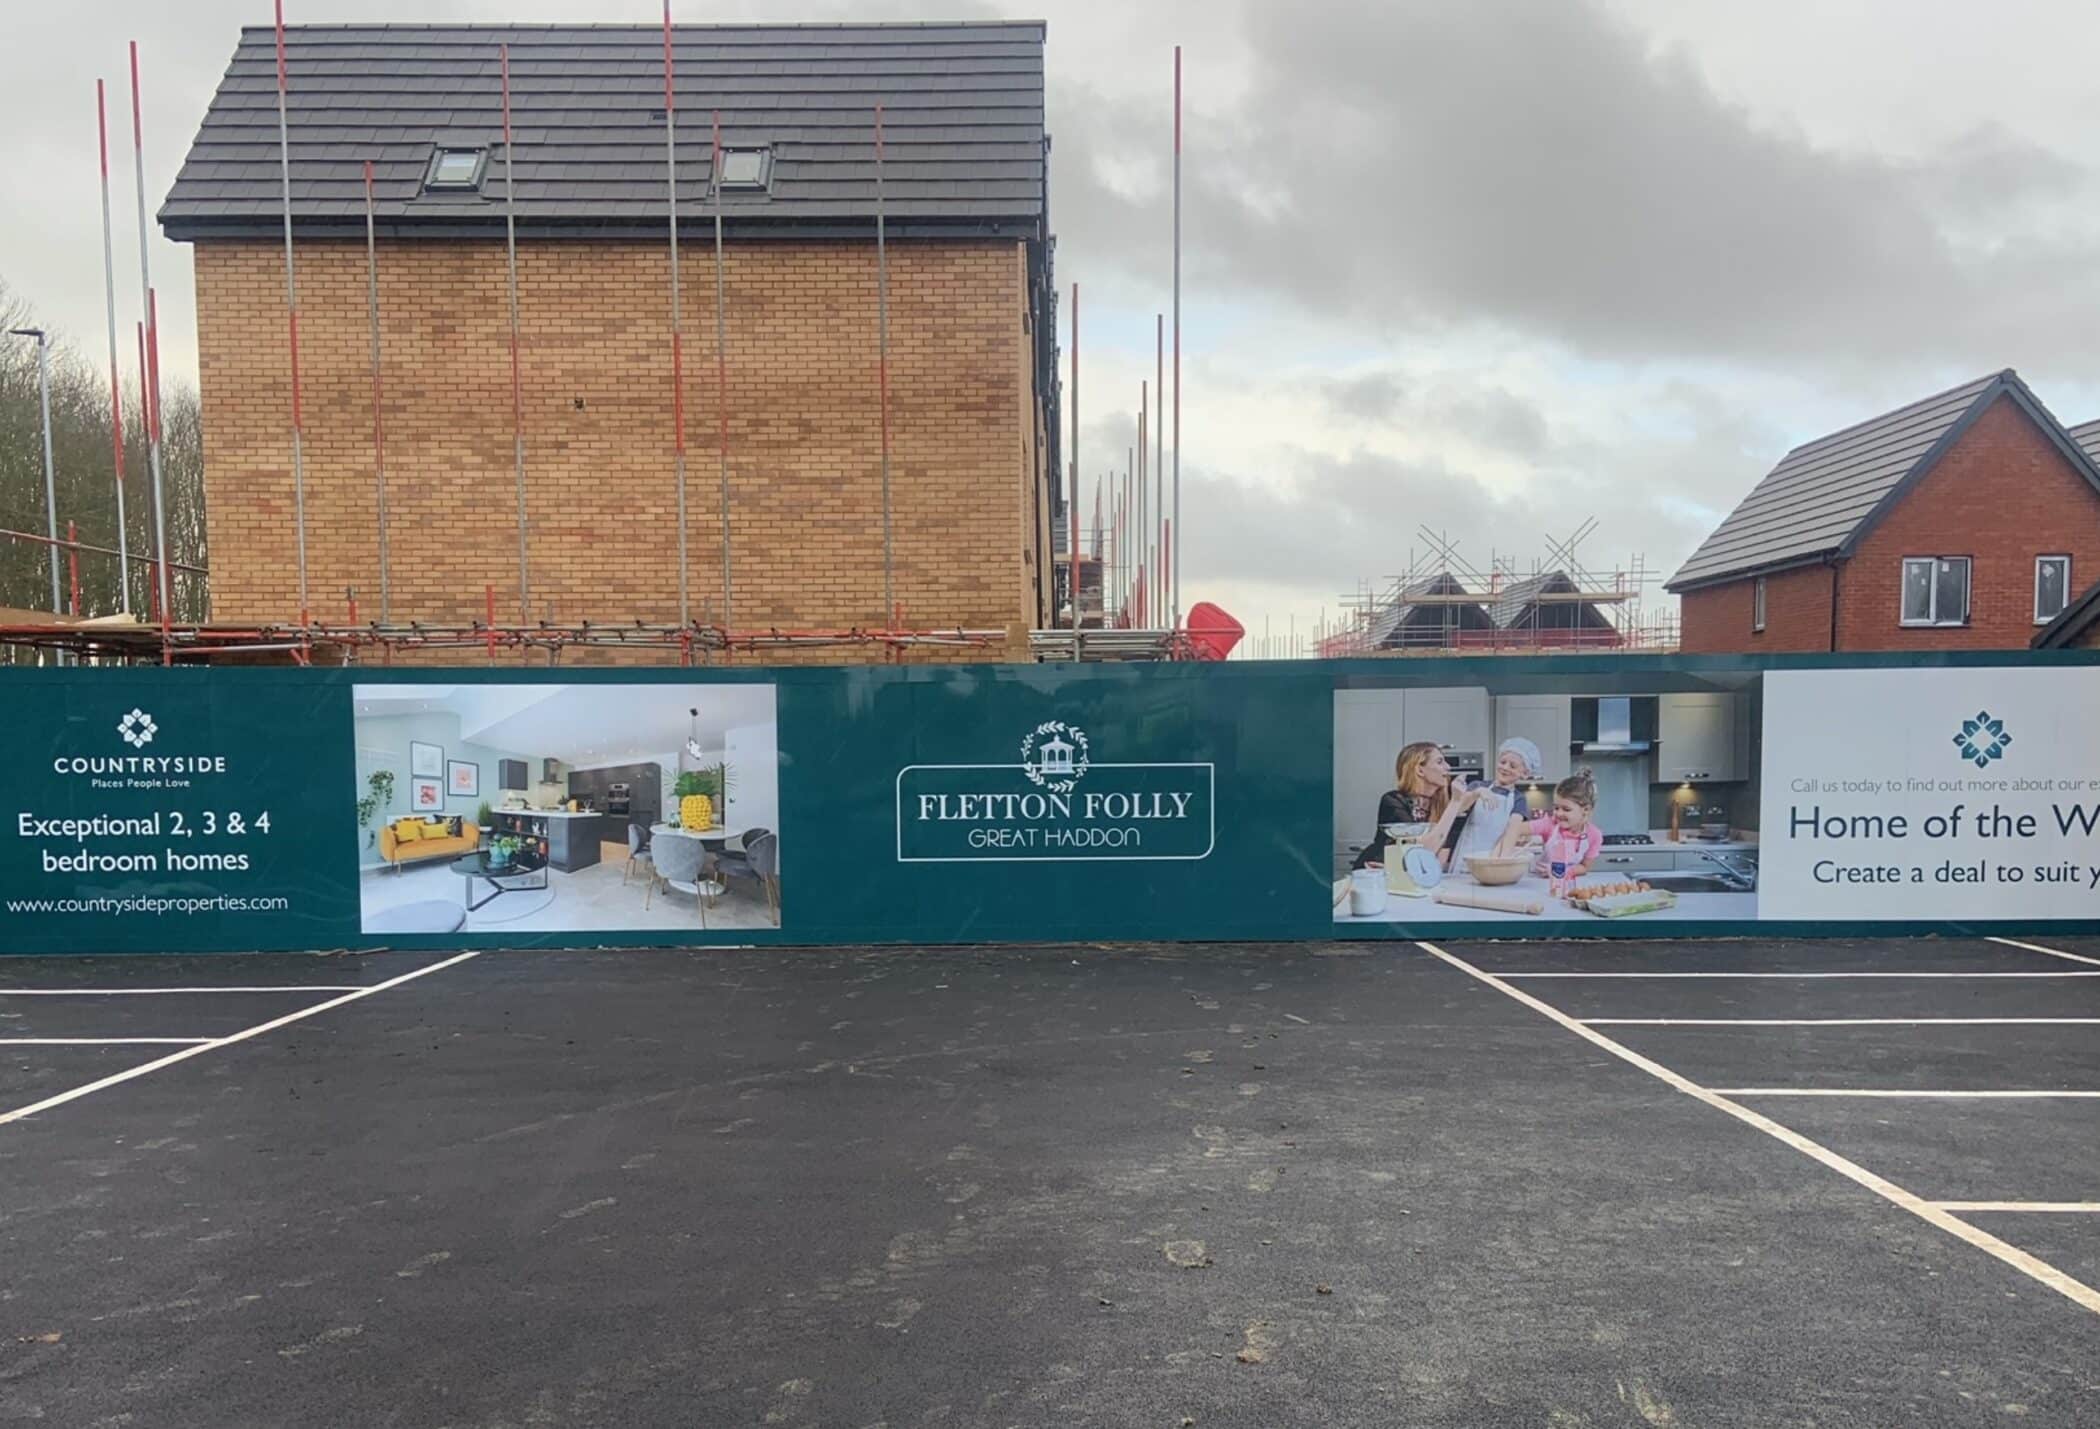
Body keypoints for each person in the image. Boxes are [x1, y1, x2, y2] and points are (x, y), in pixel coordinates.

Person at [1353, 741, 1471, 870]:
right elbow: (1423, 852)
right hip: (1375, 873)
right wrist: (1455, 802)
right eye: (1439, 762)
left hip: (1408, 876)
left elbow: (1438, 858)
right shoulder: (1393, 801)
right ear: (1420, 770)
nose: (1448, 767)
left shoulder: (1440, 804)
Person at [1499, 765, 1602, 893]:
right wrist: (1511, 843)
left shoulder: (1594, 835)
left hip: (1570, 886)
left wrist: (1560, 872)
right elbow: (1516, 828)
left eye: (1566, 809)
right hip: (1542, 886)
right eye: (1556, 807)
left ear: (1585, 810)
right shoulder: (1550, 824)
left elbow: (1584, 867)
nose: (1558, 813)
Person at [1449, 736, 1543, 865]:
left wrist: (1500, 865)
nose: (1505, 767)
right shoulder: (1477, 785)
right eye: (1503, 762)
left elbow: (1511, 833)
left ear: (1525, 773)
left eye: (1513, 766)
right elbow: (1458, 808)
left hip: (1494, 855)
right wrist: (1477, 793)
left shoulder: (1518, 799)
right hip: (1467, 854)